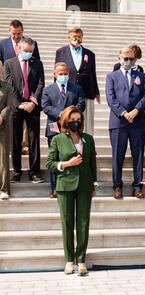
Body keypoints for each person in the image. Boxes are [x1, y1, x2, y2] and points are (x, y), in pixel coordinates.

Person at [46, 106, 97, 276]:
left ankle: (81, 260)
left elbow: (92, 164)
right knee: (67, 224)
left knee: (83, 223)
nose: (76, 122)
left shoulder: (88, 139)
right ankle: (69, 260)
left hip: (84, 185)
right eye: (72, 120)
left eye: (78, 120)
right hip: (65, 186)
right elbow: (50, 163)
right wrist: (67, 164)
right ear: (66, 121)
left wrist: (93, 185)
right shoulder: (58, 139)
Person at [105, 47, 145, 199]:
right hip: (119, 122)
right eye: (126, 58)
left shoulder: (141, 75)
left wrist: (136, 110)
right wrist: (123, 113)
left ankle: (137, 186)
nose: (128, 61)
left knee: (138, 155)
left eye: (131, 59)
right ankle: (117, 186)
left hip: (137, 121)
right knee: (118, 155)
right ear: (119, 58)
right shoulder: (112, 76)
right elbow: (110, 98)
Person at [4, 37, 45, 184]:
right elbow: (9, 85)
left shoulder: (38, 63)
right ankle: (16, 171)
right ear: (19, 49)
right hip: (16, 107)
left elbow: (41, 84)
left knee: (34, 140)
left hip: (33, 107)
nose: (28, 53)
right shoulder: (9, 63)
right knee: (16, 141)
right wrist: (19, 103)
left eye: (31, 51)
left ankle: (34, 172)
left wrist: (33, 102)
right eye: (26, 50)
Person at [42, 62, 86, 198]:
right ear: (54, 74)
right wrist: (61, 114)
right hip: (54, 127)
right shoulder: (47, 90)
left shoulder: (76, 88)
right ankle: (55, 188)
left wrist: (70, 114)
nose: (63, 76)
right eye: (60, 74)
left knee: (71, 156)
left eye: (65, 74)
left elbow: (81, 103)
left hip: (72, 129)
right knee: (55, 158)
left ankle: (72, 185)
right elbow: (46, 106)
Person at [0, 20, 40, 156]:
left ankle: (33, 168)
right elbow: (6, 77)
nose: (16, 36)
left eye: (19, 33)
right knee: (15, 136)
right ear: (9, 31)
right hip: (13, 94)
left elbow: (38, 77)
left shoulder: (31, 45)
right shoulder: (3, 45)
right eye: (13, 34)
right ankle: (17, 169)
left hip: (30, 98)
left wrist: (33, 101)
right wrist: (16, 101)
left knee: (32, 136)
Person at [55, 27, 100, 136]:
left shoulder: (89, 54)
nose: (77, 39)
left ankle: (87, 147)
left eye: (79, 37)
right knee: (68, 120)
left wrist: (96, 92)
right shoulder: (61, 52)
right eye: (74, 37)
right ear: (69, 38)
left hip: (86, 92)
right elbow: (57, 71)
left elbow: (93, 73)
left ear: (82, 38)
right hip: (68, 91)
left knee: (86, 123)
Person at [0, 80, 17, 200]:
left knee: (3, 158)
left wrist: (2, 116)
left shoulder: (7, 87)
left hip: (2, 125)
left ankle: (3, 189)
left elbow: (10, 105)